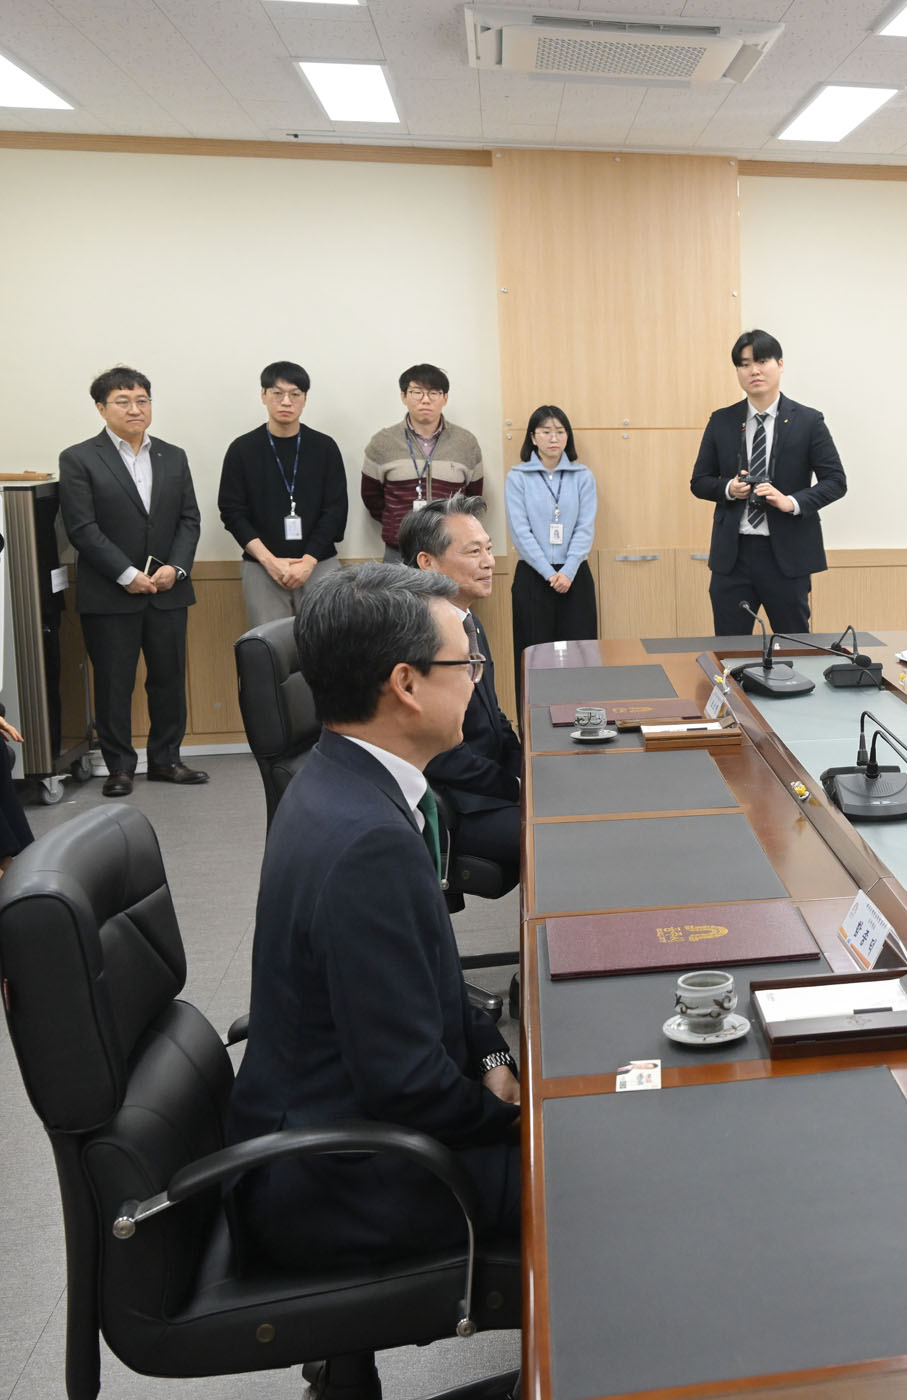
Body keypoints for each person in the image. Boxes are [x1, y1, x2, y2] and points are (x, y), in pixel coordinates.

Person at [226, 564, 518, 1291]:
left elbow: (432, 977)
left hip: (343, 1130)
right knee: (601, 1174)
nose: (476, 681)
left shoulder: (345, 782)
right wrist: (515, 1119)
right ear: (406, 684)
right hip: (342, 1182)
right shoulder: (368, 844)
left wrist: (490, 1051)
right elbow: (409, 1086)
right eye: (466, 664)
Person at [57, 366, 208, 797]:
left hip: (167, 590)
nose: (135, 409)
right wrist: (127, 574)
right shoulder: (79, 458)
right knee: (114, 684)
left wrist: (176, 568)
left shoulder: (173, 456)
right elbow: (82, 528)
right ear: (101, 408)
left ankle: (166, 760)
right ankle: (119, 768)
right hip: (110, 593)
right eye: (122, 401)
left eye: (142, 400)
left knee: (168, 680)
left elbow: (189, 519)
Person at [688, 330, 847, 635]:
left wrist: (791, 502)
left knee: (794, 645)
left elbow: (835, 481)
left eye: (762, 361)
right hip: (733, 556)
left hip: (786, 556)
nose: (754, 371)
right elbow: (700, 481)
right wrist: (728, 489)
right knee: (730, 648)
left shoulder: (808, 421)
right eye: (744, 364)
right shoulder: (721, 420)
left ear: (780, 364)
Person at [401, 495, 521, 870]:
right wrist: (515, 787)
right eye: (473, 552)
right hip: (459, 806)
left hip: (489, 787)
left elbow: (495, 718)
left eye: (488, 548)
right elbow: (438, 753)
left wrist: (525, 772)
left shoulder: (468, 621)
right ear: (427, 562)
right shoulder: (419, 637)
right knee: (566, 834)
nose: (489, 561)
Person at [219, 360, 349, 627]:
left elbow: (336, 509)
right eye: (277, 393)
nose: (286, 401)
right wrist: (269, 561)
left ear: (305, 399)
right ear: (263, 395)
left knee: (329, 640)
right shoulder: (242, 449)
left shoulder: (324, 447)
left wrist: (308, 561)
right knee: (267, 643)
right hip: (261, 565)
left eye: (295, 394)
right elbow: (232, 512)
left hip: (318, 562)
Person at [505, 404, 597, 696]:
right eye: (545, 431)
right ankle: (533, 723)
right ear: (533, 437)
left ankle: (583, 717)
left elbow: (585, 528)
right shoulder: (517, 477)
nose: (553, 438)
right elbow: (520, 532)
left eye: (560, 431)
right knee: (534, 661)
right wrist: (549, 573)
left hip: (575, 577)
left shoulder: (582, 476)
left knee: (582, 658)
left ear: (568, 436)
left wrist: (567, 572)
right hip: (534, 578)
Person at [361, 363, 483, 563]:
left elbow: (473, 497)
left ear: (445, 398)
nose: (425, 399)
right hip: (398, 552)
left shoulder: (466, 443)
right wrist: (398, 523)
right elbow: (371, 497)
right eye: (417, 392)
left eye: (434, 393)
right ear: (403, 396)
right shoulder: (382, 443)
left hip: (451, 550)